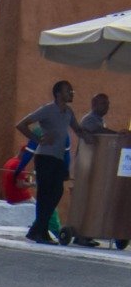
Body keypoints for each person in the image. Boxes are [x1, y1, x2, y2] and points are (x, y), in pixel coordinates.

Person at [15, 80, 97, 245]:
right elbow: (21, 124)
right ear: (59, 93)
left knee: (57, 192)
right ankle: (40, 232)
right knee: (45, 194)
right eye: (68, 91)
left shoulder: (68, 112)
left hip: (58, 158)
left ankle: (37, 230)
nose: (72, 93)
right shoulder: (48, 109)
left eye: (72, 91)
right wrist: (38, 140)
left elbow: (77, 129)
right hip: (44, 157)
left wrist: (89, 136)